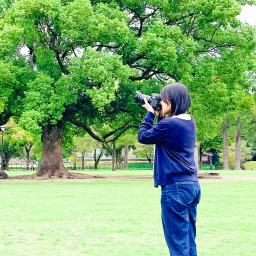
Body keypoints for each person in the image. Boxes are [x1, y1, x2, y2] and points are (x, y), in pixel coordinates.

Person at [138, 83, 201, 256]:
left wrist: (150, 113)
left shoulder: (170, 125)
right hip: (191, 186)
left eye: (164, 100)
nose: (162, 103)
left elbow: (143, 136)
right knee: (188, 241)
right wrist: (160, 114)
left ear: (173, 101)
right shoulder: (189, 122)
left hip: (175, 189)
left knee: (177, 244)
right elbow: (163, 132)